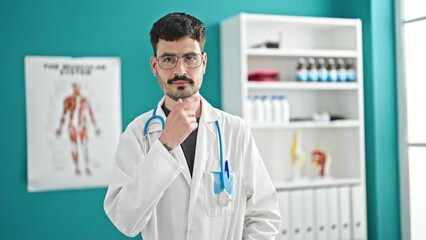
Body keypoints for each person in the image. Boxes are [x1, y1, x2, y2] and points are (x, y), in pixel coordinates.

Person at [104, 12, 281, 239]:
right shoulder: (138, 134)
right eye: (168, 59)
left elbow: (264, 214)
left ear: (203, 62)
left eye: (190, 58)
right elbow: (125, 220)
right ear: (154, 65)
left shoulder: (235, 130)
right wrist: (165, 145)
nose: (180, 70)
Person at [56, 82, 101, 175]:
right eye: (75, 87)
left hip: (82, 126)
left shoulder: (84, 100)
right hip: (72, 126)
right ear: (73, 88)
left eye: (78, 87)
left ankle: (87, 167)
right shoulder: (68, 99)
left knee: (84, 147)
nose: (77, 89)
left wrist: (96, 127)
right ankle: (76, 167)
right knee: (74, 146)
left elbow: (90, 113)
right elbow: (64, 114)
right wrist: (60, 128)